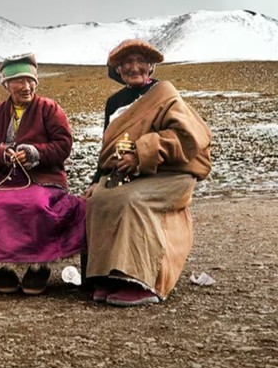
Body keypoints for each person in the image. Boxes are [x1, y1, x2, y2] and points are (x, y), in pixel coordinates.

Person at [84, 39, 211, 307]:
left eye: (140, 61)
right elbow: (107, 148)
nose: (134, 67)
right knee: (96, 202)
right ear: (117, 69)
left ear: (151, 66)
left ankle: (143, 281)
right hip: (125, 172)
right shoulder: (114, 102)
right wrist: (96, 181)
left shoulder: (164, 94)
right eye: (126, 62)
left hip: (168, 172)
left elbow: (189, 137)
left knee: (131, 201)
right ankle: (108, 276)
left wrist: (142, 154)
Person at [0, 55, 85, 295]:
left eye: (30, 81)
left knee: (37, 204)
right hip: (2, 179)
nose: (26, 87)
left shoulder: (49, 109)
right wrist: (3, 154)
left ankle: (39, 267)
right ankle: (1, 268)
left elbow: (63, 145)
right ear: (6, 85)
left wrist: (36, 153)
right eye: (18, 81)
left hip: (42, 178)